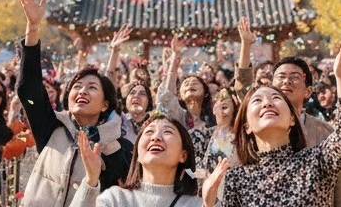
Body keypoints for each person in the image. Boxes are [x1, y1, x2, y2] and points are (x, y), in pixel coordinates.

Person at [15, 0, 133, 206]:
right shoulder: (51, 126)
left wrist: (97, 171)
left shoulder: (119, 147)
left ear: (105, 104)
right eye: (77, 87)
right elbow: (28, 90)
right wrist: (32, 29)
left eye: (92, 87)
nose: (82, 91)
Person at [220, 29, 341, 207]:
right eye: (258, 100)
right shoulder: (236, 179)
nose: (267, 104)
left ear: (292, 119)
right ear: (246, 125)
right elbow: (243, 85)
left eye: (276, 98)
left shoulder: (315, 160)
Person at [71, 114, 228, 207]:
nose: (156, 137)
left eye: (167, 132)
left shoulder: (194, 205)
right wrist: (91, 180)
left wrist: (209, 204)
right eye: (149, 132)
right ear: (137, 153)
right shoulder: (116, 199)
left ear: (183, 155)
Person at [271, 55, 341, 207]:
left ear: (308, 91)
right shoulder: (258, 127)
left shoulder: (324, 132)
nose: (286, 81)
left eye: (294, 77)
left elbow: (340, 190)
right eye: (280, 76)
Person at [157, 36, 214, 167]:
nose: (190, 85)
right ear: (180, 95)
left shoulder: (214, 120)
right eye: (186, 84)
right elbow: (166, 97)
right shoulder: (178, 115)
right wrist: (174, 62)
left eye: (195, 83)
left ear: (205, 94)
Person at [202, 87, 237, 173]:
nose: (222, 112)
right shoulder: (205, 135)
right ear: (214, 109)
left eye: (225, 107)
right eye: (220, 107)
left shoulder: (243, 134)